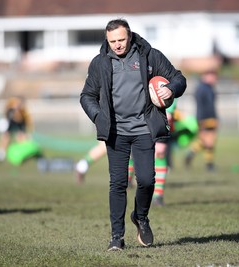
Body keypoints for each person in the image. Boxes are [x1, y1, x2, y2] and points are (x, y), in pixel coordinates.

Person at [80, 19, 186, 251]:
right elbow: (87, 96)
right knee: (117, 183)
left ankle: (141, 217)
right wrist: (99, 117)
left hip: (143, 129)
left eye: (121, 40)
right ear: (107, 40)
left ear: (130, 36)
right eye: (112, 41)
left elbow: (179, 78)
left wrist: (171, 89)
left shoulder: (150, 56)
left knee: (147, 180)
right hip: (115, 132)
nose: (117, 45)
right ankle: (116, 237)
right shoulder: (99, 63)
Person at [185, 70, 218, 172]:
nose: (215, 79)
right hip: (205, 118)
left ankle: (191, 153)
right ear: (206, 76)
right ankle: (209, 163)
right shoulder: (203, 88)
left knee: (205, 141)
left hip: (207, 117)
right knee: (208, 141)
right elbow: (206, 106)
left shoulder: (207, 87)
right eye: (213, 76)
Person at [0, 96, 32, 162]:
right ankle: (1, 153)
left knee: (21, 138)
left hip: (20, 123)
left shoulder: (23, 111)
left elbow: (27, 120)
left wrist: (28, 129)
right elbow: (5, 112)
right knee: (6, 137)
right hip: (11, 122)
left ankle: (22, 153)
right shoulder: (10, 106)